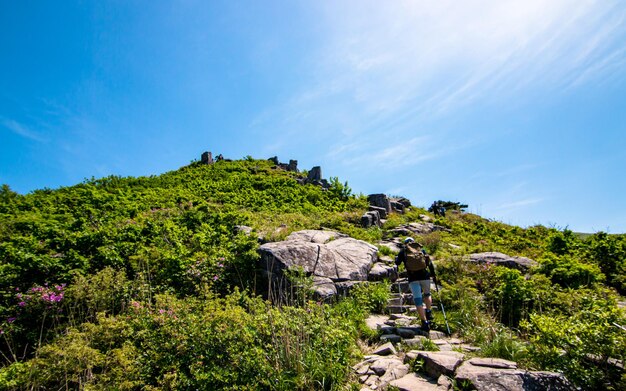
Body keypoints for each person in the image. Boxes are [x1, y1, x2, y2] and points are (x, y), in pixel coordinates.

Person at [395, 237, 437, 331]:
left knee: (418, 300)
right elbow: (429, 263)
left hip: (413, 278)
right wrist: (433, 275)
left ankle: (424, 322)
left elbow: (397, 262)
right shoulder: (421, 249)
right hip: (425, 276)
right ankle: (429, 311)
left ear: (405, 243)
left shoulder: (404, 251)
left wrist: (397, 260)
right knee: (427, 294)